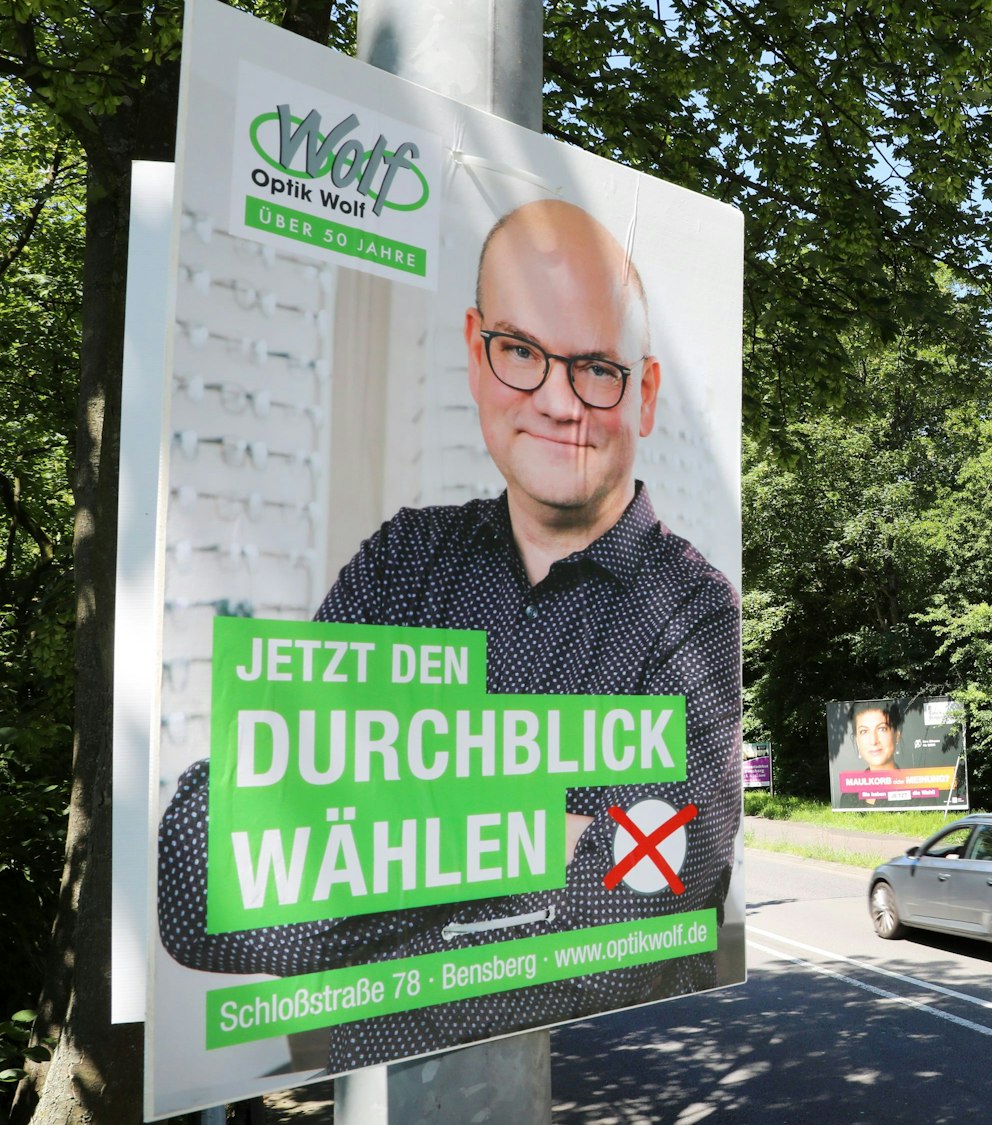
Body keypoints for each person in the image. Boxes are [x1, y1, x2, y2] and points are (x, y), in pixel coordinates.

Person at [157, 199, 740, 1073]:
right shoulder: (402, 563)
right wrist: (552, 836)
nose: (558, 402)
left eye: (596, 368)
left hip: (600, 1090)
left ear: (645, 393)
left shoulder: (694, 611)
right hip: (372, 1097)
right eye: (521, 351)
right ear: (475, 352)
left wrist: (378, 843)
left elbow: (633, 919)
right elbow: (203, 866)